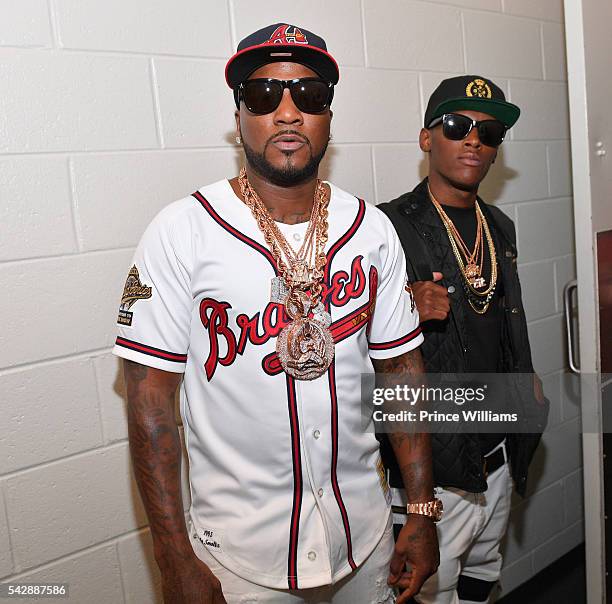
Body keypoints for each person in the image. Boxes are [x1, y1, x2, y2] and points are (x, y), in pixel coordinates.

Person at [114, 23, 439, 604]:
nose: (287, 114)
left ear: (329, 117)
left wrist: (419, 509)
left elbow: (402, 374)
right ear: (238, 114)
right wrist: (171, 554)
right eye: (264, 96)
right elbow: (150, 401)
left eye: (309, 96)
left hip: (364, 541)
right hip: (237, 561)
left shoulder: (371, 229)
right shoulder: (181, 231)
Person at [377, 76, 549, 604]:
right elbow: (336, 345)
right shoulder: (386, 227)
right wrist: (405, 306)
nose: (474, 140)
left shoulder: (498, 225)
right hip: (436, 467)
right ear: (427, 138)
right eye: (457, 125)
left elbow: (502, 321)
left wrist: (526, 382)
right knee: (430, 588)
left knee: (484, 569)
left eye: (489, 131)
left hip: (497, 447)